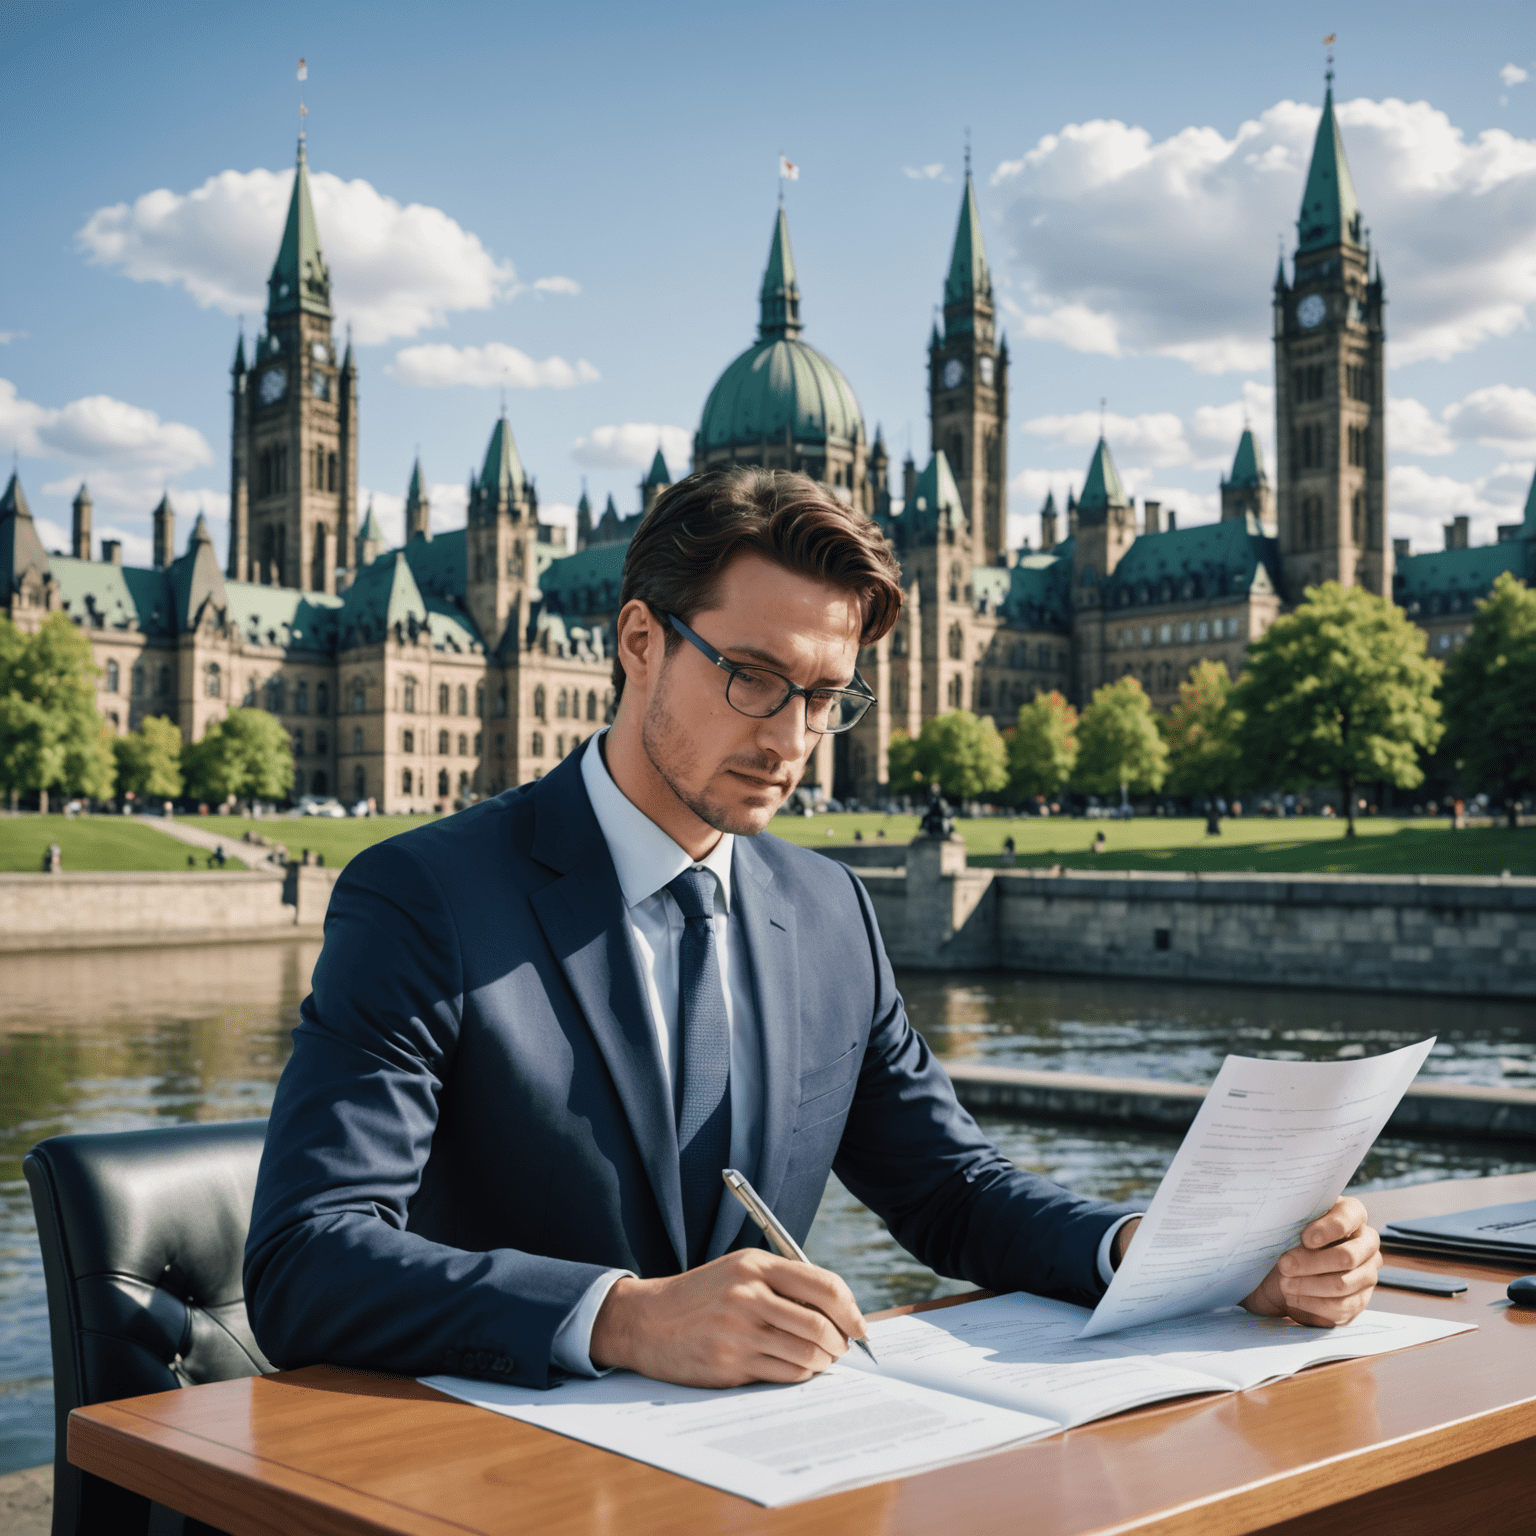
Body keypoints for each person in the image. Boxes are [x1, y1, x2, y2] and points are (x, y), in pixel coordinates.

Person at [244, 468, 1382, 1394]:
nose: (794, 738)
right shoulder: (426, 897)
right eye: (753, 677)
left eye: (828, 696)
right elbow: (306, 1261)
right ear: (639, 642)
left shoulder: (829, 909)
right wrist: (623, 1320)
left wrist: (1174, 1259)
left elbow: (951, 1192)